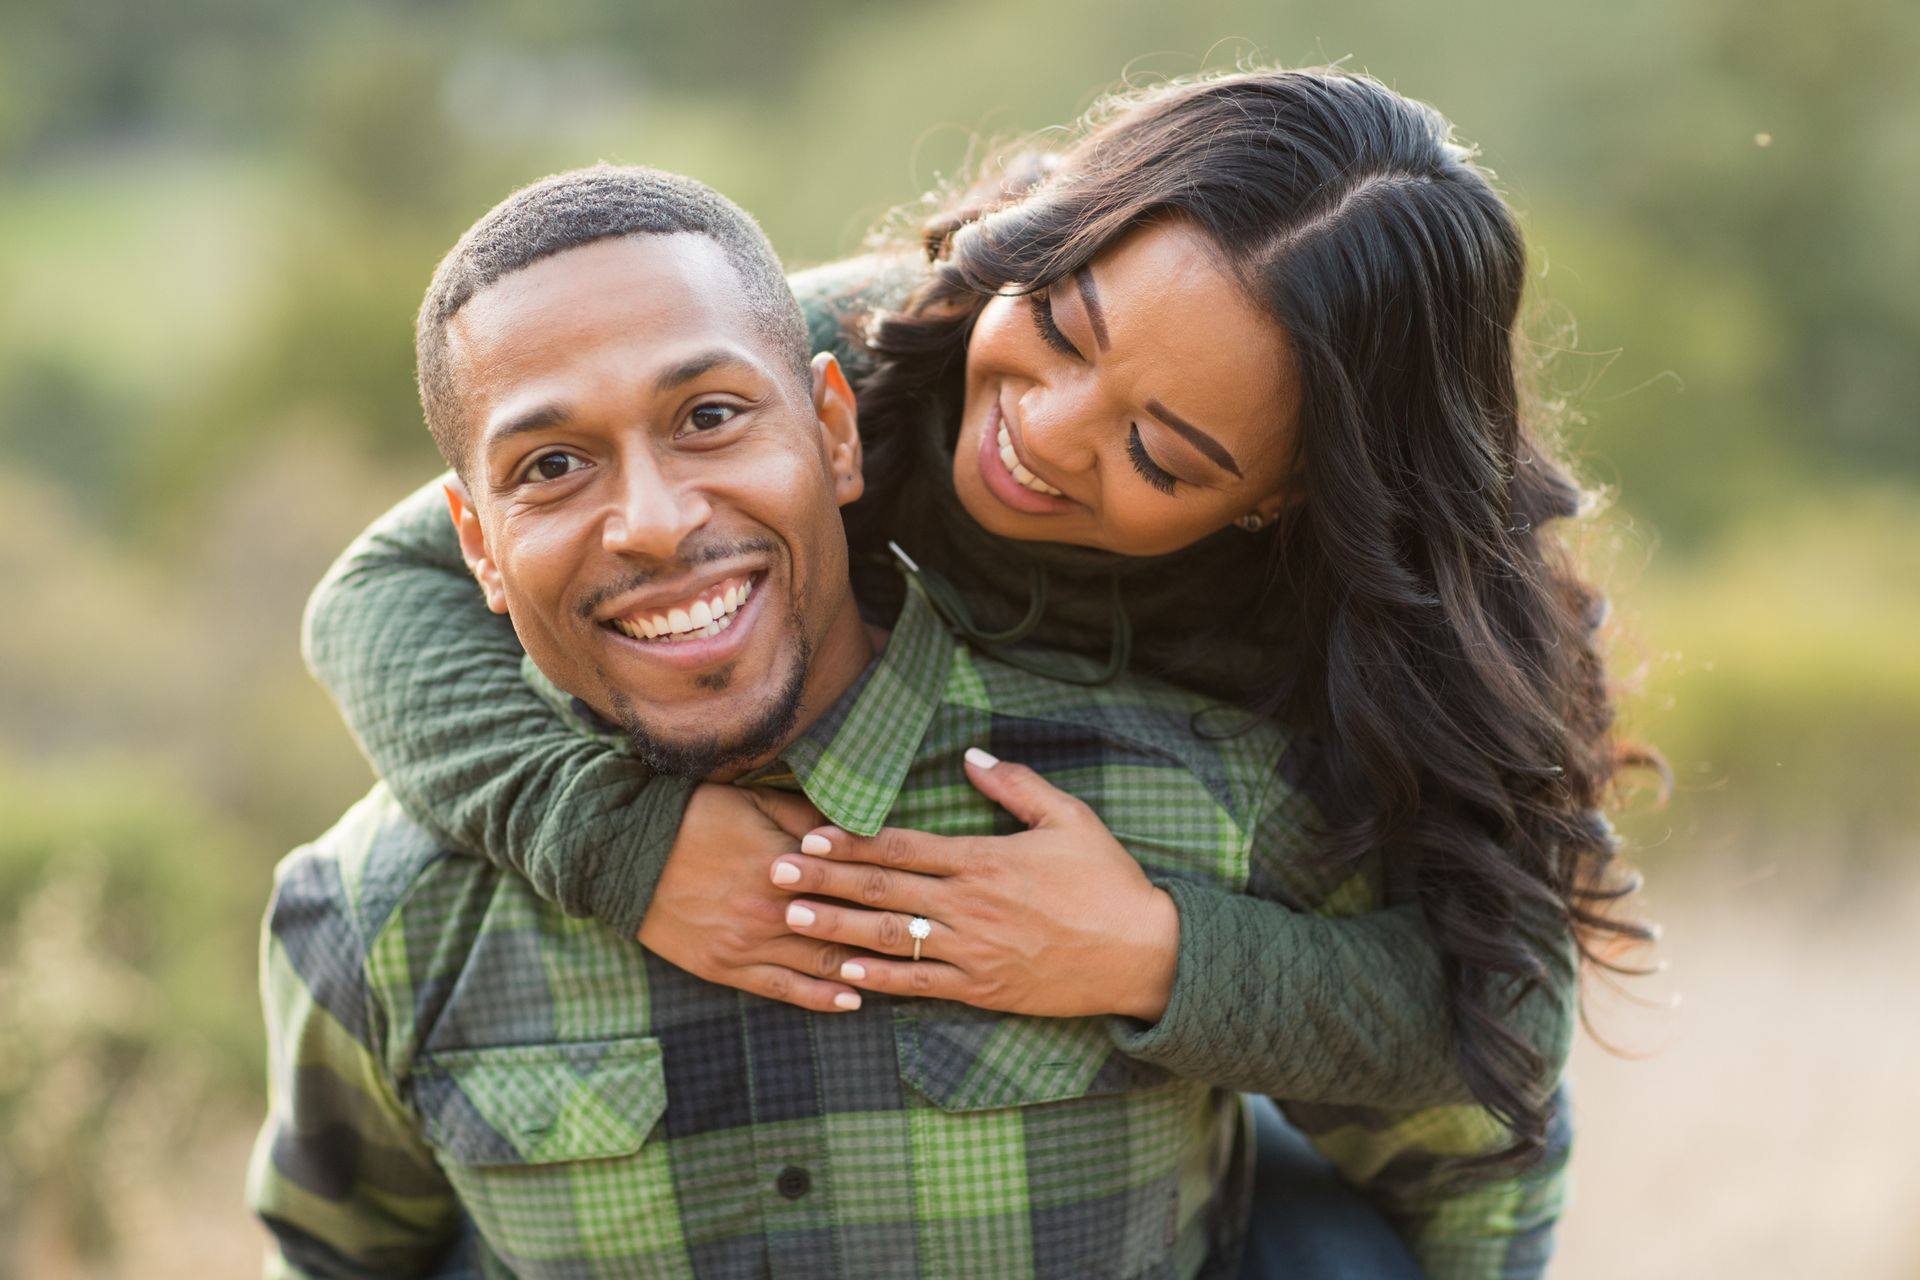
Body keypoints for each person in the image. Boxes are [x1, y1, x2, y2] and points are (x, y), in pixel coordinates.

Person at [305, 68, 1645, 1272]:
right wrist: (618, 838)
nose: (1042, 435)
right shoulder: (852, 345)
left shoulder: (1386, 629)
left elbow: (1490, 1030)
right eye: (1059, 326)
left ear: (1291, 497)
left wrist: (1157, 954)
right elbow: (381, 592)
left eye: (1164, 455)